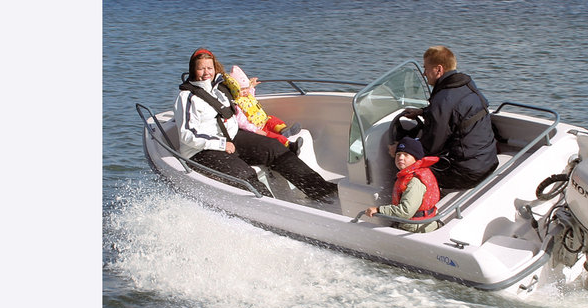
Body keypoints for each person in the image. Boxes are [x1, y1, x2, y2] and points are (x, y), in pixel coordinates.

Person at [173, 48, 337, 201]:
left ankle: (320, 190)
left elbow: (236, 113)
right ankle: (274, 212)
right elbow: (187, 134)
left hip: (233, 139)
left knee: (274, 148)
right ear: (193, 70)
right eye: (201, 69)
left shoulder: (219, 89)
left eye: (209, 68)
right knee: (245, 174)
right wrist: (222, 145)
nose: (206, 73)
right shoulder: (187, 97)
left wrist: (253, 130)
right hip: (203, 150)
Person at [402, 46, 498, 191]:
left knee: (407, 170)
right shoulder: (466, 85)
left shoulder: (442, 100)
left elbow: (430, 147)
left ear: (438, 70)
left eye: (426, 69)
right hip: (488, 161)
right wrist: (423, 112)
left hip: (467, 174)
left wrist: (401, 150)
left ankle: (411, 209)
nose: (424, 74)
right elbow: (454, 111)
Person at [365, 137, 440, 233]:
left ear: (415, 158)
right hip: (417, 224)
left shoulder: (415, 181)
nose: (400, 158)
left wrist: (379, 210)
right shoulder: (413, 173)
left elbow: (405, 212)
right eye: (398, 154)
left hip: (416, 229)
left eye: (406, 155)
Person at [225, 65, 304, 155]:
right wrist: (255, 130)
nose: (245, 91)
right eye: (242, 89)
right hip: (257, 128)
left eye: (246, 88)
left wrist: (252, 86)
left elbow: (251, 94)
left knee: (272, 119)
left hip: (264, 121)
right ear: (235, 90)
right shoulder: (237, 104)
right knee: (272, 137)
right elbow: (242, 123)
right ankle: (290, 146)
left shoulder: (247, 95)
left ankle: (283, 130)